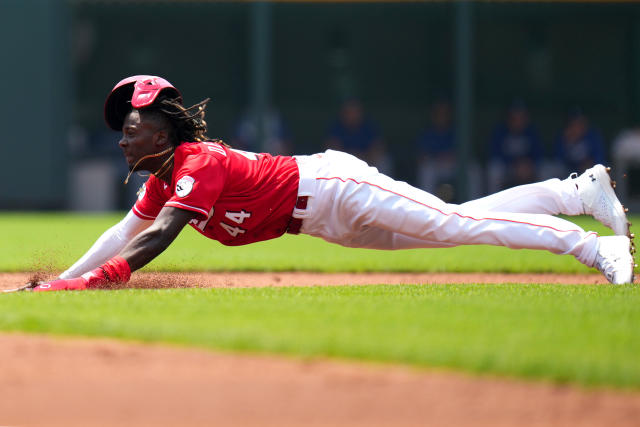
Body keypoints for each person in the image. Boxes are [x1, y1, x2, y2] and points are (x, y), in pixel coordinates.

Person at [26, 75, 635, 292]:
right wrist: (68, 279)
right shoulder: (163, 176)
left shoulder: (195, 163)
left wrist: (102, 282)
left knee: (457, 223)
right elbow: (122, 229)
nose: (122, 139)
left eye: (131, 127)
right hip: (324, 221)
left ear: (160, 132)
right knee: (459, 220)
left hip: (337, 186)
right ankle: (575, 195)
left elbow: (157, 237)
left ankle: (592, 248)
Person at [488, 100, 544, 192]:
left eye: (521, 117)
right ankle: (493, 203)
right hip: (507, 167)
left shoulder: (531, 132)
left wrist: (528, 164)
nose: (518, 121)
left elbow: (539, 153)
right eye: (514, 117)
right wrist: (514, 164)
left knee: (545, 169)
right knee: (494, 170)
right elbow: (495, 154)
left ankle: (544, 202)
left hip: (528, 168)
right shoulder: (500, 131)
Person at [554, 107, 606, 176]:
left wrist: (590, 163)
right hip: (568, 172)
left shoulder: (593, 135)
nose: (577, 126)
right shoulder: (564, 136)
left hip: (589, 172)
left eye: (580, 122)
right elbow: (558, 159)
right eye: (574, 122)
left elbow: (599, 158)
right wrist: (568, 143)